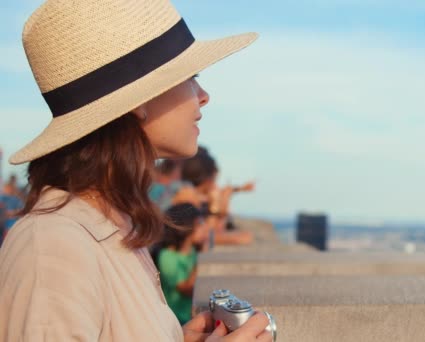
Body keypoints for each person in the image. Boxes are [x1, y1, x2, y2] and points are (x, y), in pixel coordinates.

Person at [0, 1, 271, 341]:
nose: (203, 96)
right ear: (139, 102)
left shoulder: (108, 226)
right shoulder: (53, 246)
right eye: (191, 77)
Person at [174, 147, 254, 245]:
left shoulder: (185, 190)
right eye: (214, 177)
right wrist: (233, 239)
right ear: (208, 177)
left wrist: (239, 189)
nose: (215, 184)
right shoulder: (188, 195)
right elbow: (199, 236)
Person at [158, 203, 209, 325]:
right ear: (187, 227)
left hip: (191, 316)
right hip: (176, 321)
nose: (205, 228)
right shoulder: (167, 256)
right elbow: (187, 289)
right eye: (200, 224)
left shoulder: (192, 250)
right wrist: (202, 257)